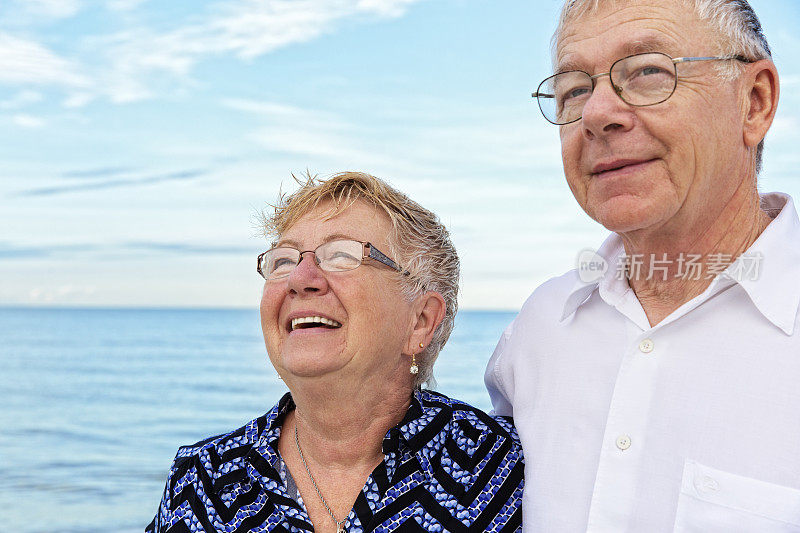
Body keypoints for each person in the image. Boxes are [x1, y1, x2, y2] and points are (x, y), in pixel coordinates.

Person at [485, 0, 800, 531]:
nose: (595, 114)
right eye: (574, 90)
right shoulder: (539, 329)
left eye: (648, 71)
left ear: (754, 102)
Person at [148, 172, 524, 532]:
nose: (299, 279)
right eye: (283, 260)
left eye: (342, 255)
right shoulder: (202, 479)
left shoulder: (502, 467)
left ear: (420, 321)